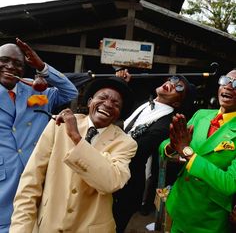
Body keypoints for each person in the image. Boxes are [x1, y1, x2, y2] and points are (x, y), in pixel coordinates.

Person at [9, 77, 138, 233]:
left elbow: (110, 183)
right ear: (90, 102)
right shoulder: (58, 125)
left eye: (116, 103)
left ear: (119, 113)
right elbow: (31, 182)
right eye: (102, 97)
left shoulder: (125, 143)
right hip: (48, 226)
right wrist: (21, 229)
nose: (108, 104)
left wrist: (77, 138)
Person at [0, 38, 78, 233]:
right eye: (4, 60)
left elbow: (70, 92)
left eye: (18, 64)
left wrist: (42, 67)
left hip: (35, 181)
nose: (10, 66)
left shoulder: (36, 92)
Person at [113, 69, 196, 232]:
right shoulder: (143, 102)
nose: (171, 85)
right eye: (172, 79)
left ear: (178, 103)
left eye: (179, 88)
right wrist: (120, 82)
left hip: (125, 185)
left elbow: (136, 149)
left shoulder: (167, 124)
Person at [159, 69, 236, 233]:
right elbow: (168, 144)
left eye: (235, 84)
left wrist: (187, 152)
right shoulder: (202, 115)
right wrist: (172, 146)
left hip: (209, 217)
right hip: (178, 204)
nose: (228, 87)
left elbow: (230, 183)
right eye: (225, 80)